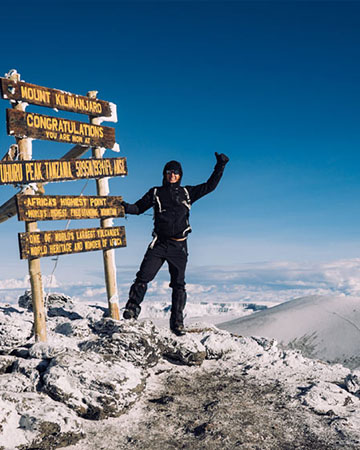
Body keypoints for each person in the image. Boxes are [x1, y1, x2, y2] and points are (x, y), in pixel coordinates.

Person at [121, 152, 229, 336]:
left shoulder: (187, 193)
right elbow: (138, 208)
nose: (172, 175)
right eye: (169, 172)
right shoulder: (155, 192)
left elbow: (210, 186)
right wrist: (122, 206)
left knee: (178, 285)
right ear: (164, 174)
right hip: (159, 244)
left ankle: (177, 323)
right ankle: (132, 309)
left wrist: (220, 165)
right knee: (143, 277)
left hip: (179, 247)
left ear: (180, 175)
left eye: (176, 173)